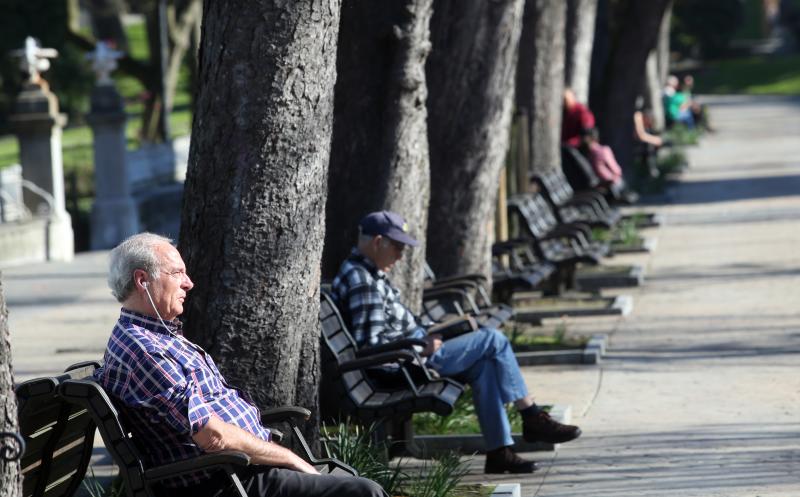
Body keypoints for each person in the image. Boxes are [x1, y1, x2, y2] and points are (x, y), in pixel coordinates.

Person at [95, 233, 386, 497]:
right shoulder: (145, 351)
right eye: (177, 273)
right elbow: (214, 436)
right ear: (142, 280)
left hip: (237, 469)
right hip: (225, 481)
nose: (189, 282)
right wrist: (290, 458)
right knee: (363, 492)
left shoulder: (155, 335)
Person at [331, 211, 582, 475]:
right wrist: (421, 346)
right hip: (404, 366)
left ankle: (500, 453)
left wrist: (430, 334)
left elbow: (384, 332)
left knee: (484, 365)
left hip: (411, 355)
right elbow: (371, 344)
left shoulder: (368, 273)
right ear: (377, 242)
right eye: (397, 246)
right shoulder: (363, 281)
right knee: (493, 340)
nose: (401, 255)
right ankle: (532, 417)